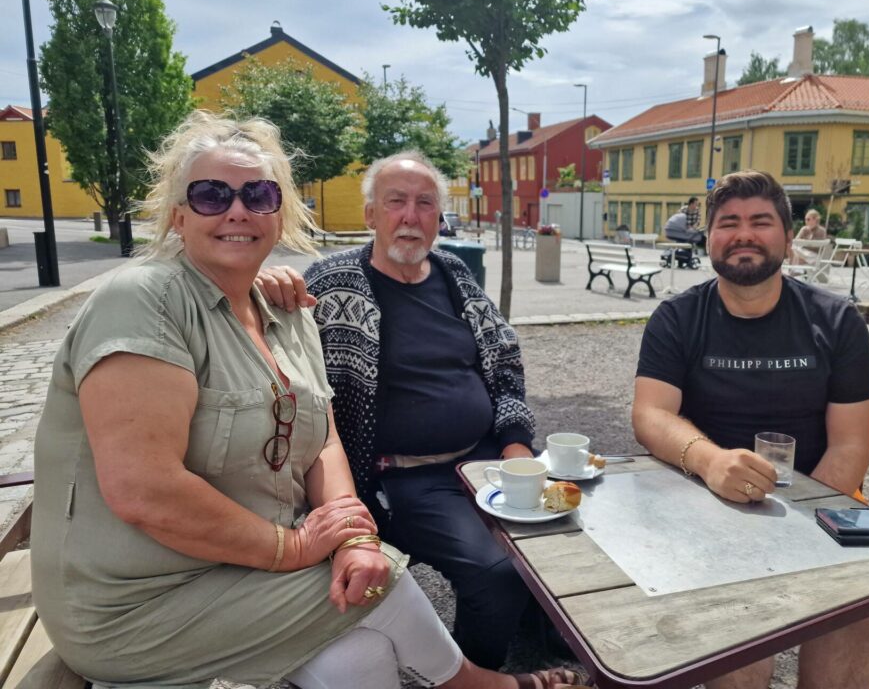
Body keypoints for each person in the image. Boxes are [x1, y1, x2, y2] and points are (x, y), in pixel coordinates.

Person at [30, 112, 583, 689]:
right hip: (144, 595)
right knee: (389, 583)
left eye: (259, 194)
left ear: (279, 212)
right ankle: (487, 686)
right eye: (211, 194)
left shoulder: (290, 312)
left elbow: (326, 434)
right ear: (178, 213)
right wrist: (298, 546)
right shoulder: (148, 298)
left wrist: (352, 535)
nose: (238, 210)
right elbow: (143, 488)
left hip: (247, 565)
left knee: (361, 657)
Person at [256, 151, 539, 671]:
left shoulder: (454, 275)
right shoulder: (334, 281)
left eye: (425, 204)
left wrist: (517, 441)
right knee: (494, 570)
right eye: (396, 203)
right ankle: (475, 676)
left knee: (556, 539)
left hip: (484, 458)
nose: (410, 216)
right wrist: (265, 287)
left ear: (438, 217)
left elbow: (505, 361)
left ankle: (540, 628)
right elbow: (269, 346)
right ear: (371, 216)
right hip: (403, 476)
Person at [631, 170, 869, 689]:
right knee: (735, 615)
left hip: (823, 498)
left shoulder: (836, 318)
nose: (744, 234)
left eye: (761, 221)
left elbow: (852, 442)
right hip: (703, 501)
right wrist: (713, 462)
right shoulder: (676, 317)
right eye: (728, 223)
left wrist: (803, 526)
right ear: (708, 237)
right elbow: (650, 415)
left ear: (787, 235)